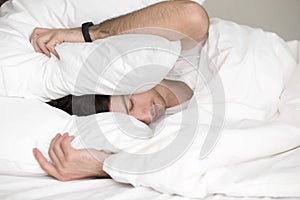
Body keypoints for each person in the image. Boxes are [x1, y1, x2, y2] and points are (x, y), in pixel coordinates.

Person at [31, 0, 209, 181]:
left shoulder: (175, 55)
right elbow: (183, 170)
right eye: (130, 119)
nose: (143, 118)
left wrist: (92, 33)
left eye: (130, 104)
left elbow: (191, 15)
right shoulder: (164, 129)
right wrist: (101, 166)